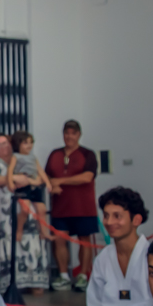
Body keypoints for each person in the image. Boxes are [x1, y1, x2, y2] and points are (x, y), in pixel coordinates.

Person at [63, 186, 151, 306]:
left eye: (117, 216)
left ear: (136, 220)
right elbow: (95, 302)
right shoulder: (104, 258)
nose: (110, 222)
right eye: (106, 215)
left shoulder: (152, 257)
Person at [0, 133, 49, 295]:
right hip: (3, 215)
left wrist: (31, 180)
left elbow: (37, 176)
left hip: (26, 210)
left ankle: (34, 282)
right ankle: (4, 283)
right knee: (5, 243)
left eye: (6, 143)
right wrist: (15, 178)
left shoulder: (21, 159)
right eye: (0, 144)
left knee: (29, 241)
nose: (4, 147)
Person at [45, 119, 99, 291]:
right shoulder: (55, 154)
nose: (69, 136)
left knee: (84, 240)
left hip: (83, 207)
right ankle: (63, 276)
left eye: (73, 133)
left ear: (79, 135)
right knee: (59, 240)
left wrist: (60, 181)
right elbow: (47, 177)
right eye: (66, 133)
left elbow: (87, 177)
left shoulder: (87, 154)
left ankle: (83, 275)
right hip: (60, 207)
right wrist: (51, 185)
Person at [7, 130, 52, 242]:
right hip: (24, 186)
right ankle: (19, 230)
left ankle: (44, 232)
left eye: (31, 142)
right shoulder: (16, 156)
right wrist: (10, 183)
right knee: (25, 209)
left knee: (42, 209)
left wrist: (47, 183)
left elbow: (40, 171)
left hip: (34, 186)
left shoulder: (33, 158)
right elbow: (10, 171)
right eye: (25, 143)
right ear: (18, 144)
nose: (29, 145)